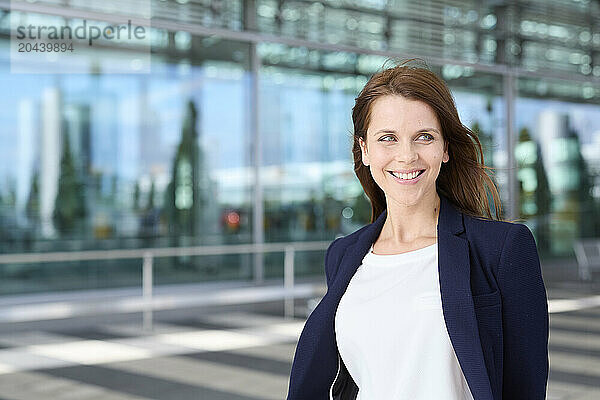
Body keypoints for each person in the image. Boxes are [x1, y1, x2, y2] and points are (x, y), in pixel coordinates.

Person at [286, 59, 549, 400]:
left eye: (423, 136)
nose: (406, 155)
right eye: (388, 138)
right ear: (365, 149)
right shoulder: (343, 254)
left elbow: (525, 388)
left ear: (445, 149)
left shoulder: (501, 249)